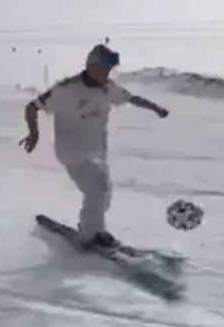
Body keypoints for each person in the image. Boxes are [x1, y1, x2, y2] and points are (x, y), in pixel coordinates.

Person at [19, 44, 169, 248]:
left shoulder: (108, 88)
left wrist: (156, 108)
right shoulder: (66, 89)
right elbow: (32, 107)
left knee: (103, 191)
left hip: (95, 151)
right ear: (91, 66)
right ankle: (91, 234)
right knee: (98, 188)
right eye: (103, 68)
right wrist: (34, 133)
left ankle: (94, 229)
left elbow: (131, 98)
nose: (106, 73)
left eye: (109, 70)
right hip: (71, 150)